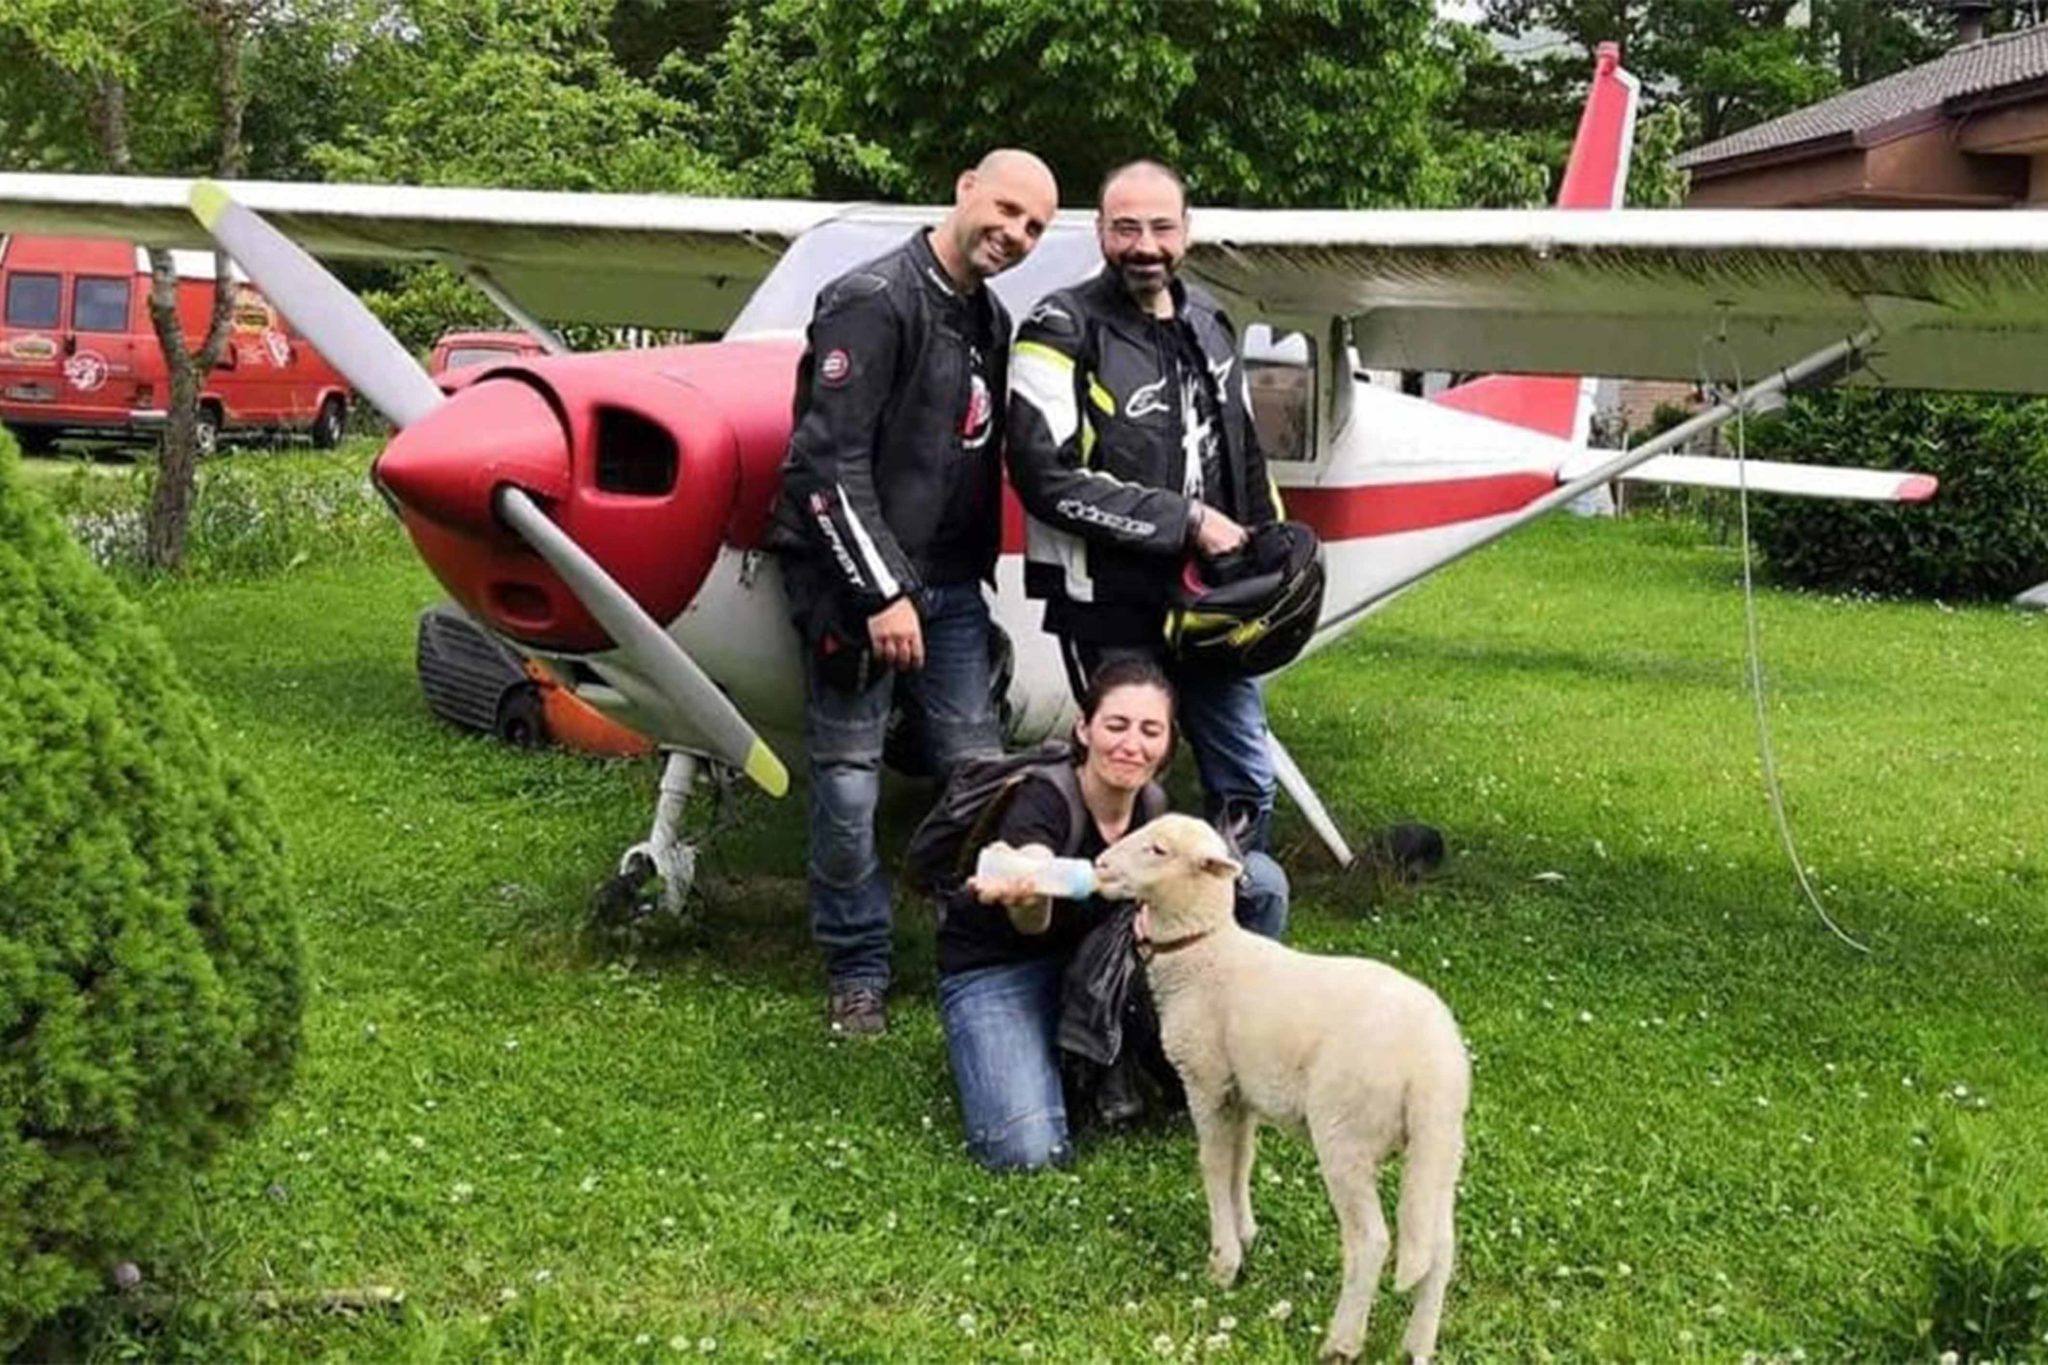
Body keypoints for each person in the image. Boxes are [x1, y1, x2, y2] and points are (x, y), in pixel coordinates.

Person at [767, 149, 1059, 1038]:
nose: (1015, 233)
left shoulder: (989, 317)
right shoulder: (872, 298)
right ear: (966, 188)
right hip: (858, 587)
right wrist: (881, 591)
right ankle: (857, 966)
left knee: (977, 774)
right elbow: (825, 463)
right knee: (849, 779)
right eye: (1006, 209)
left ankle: (974, 942)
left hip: (953, 589)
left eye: (1035, 227)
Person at [1005, 158, 1287, 861]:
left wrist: (1271, 550)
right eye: (1125, 228)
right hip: (1109, 604)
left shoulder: (1212, 323)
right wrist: (1185, 520)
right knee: (1124, 780)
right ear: (1100, 231)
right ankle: (1112, 924)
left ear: (1187, 230)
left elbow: (1244, 452)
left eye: (1161, 227)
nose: (1145, 246)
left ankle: (1230, 915)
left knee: (1248, 780)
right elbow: (1043, 476)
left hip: (1212, 604)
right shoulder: (1058, 325)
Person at [938, 658, 1288, 1172]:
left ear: (1168, 743)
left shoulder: (1155, 811)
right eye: (1116, 725)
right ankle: (1044, 1052)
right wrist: (1030, 889)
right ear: (1085, 728)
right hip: (1002, 967)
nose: (1131, 745)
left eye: (1150, 731)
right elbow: (1030, 910)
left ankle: (1209, 1060)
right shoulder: (1044, 798)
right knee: (1026, 1152)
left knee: (1259, 884)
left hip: (1090, 960)